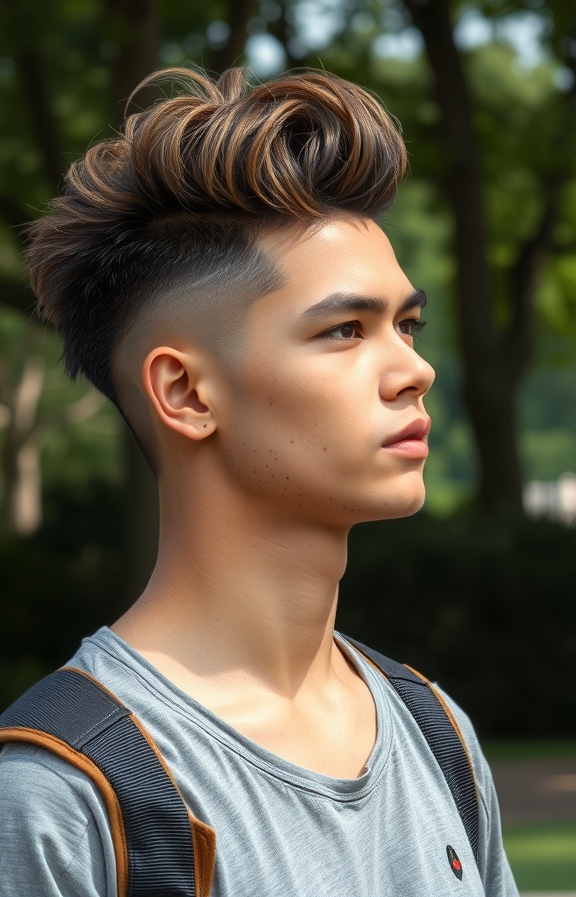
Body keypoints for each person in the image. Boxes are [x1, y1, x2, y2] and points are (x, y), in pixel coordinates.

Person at [0, 66, 518, 896]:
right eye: (345, 330)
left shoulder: (437, 732)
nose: (412, 369)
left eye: (407, 325)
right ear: (187, 393)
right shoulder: (63, 795)